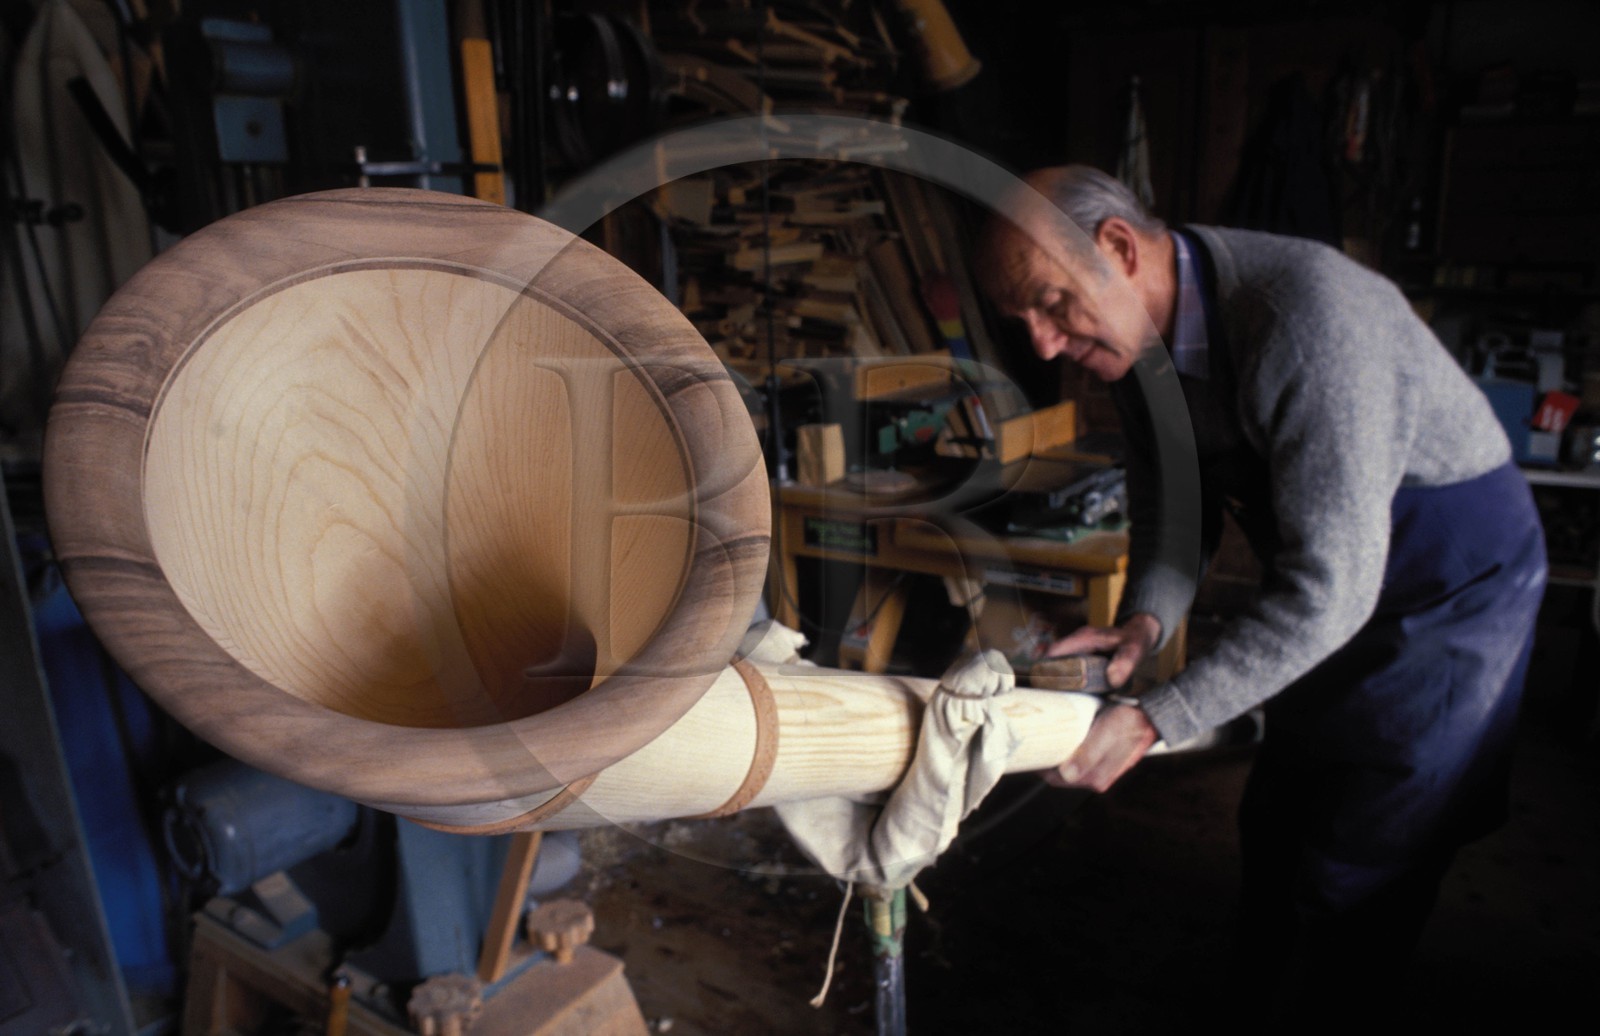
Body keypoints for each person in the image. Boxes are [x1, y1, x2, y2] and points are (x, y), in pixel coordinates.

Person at [977, 165, 1547, 1019]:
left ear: (1119, 249)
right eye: (1023, 321)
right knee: (1280, 817)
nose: (1045, 345)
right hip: (1338, 578)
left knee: (1362, 851)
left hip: (1448, 582)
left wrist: (1156, 714)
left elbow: (1332, 593)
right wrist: (1146, 620)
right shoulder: (1134, 345)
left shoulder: (1306, 323)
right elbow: (1174, 499)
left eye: (1052, 303)